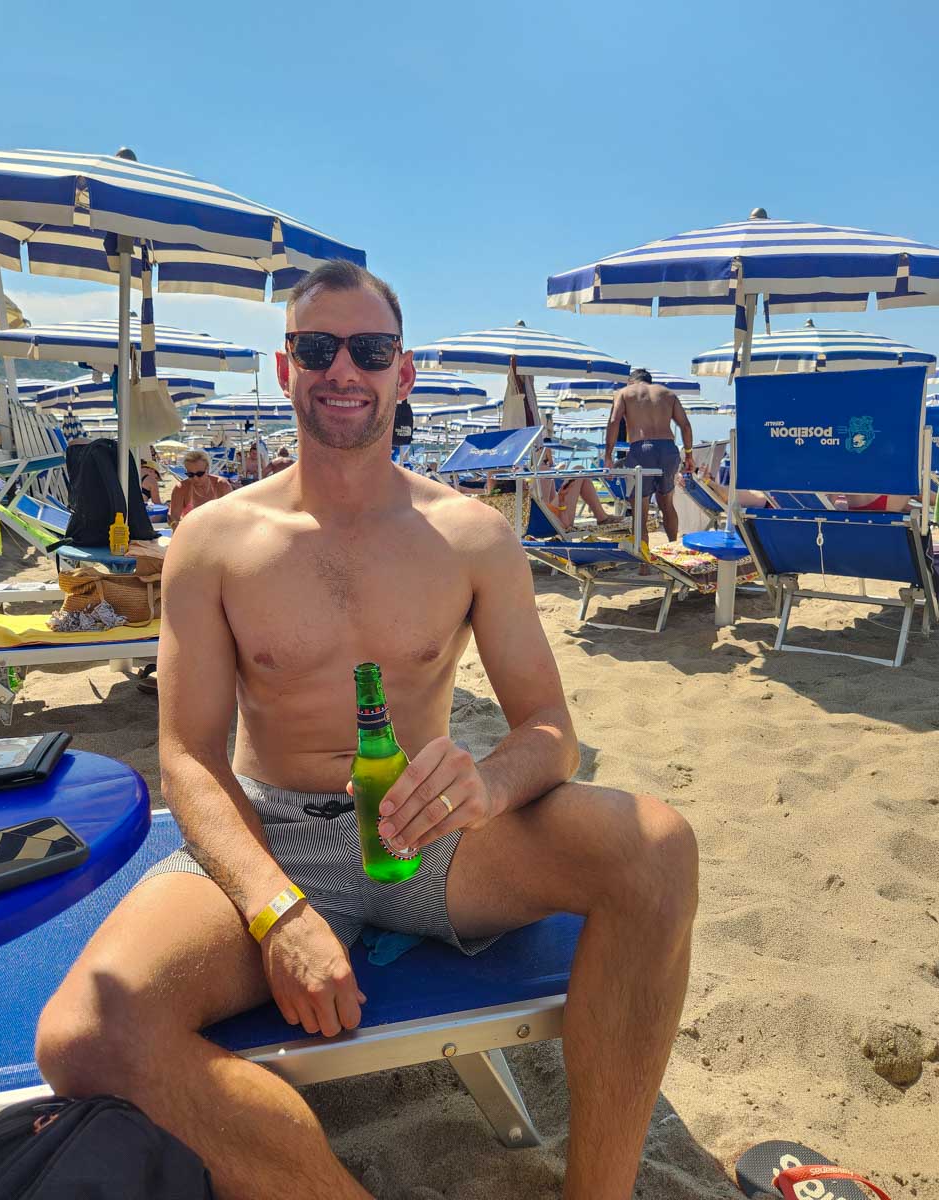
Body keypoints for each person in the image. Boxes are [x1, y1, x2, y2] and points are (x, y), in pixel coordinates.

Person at [36, 261, 698, 1200]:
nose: (344, 369)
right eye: (319, 348)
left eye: (371, 349)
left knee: (658, 848)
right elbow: (186, 755)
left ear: (404, 371)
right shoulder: (216, 541)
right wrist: (276, 910)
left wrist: (492, 784)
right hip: (272, 836)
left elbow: (550, 727)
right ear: (285, 368)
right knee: (85, 1035)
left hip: (430, 838)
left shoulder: (470, 536)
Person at [605, 369, 695, 542]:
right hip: (668, 449)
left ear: (631, 381)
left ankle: (644, 566)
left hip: (641, 449)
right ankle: (672, 550)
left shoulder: (624, 393)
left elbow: (613, 421)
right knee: (667, 503)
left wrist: (608, 456)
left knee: (639, 510)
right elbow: (685, 426)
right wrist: (689, 455)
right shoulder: (667, 393)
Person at [168, 450, 233, 528]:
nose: (195, 478)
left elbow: (231, 514)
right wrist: (175, 526)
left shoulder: (221, 485)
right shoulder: (181, 488)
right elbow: (173, 517)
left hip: (218, 530)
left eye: (199, 474)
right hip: (191, 530)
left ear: (207, 469)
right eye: (190, 474)